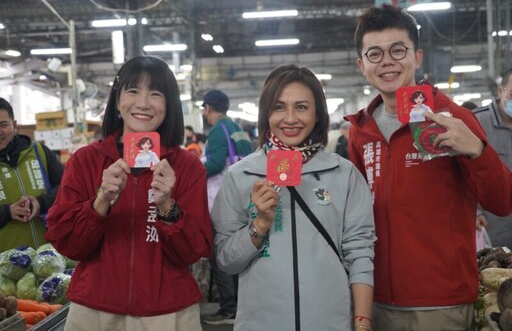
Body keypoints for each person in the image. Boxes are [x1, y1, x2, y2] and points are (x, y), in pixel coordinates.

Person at [347, 4, 512, 331]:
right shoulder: (360, 131)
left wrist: (477, 151)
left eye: (398, 50)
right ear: (361, 65)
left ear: (417, 56)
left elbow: (502, 202)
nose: (388, 62)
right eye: (375, 54)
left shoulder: (453, 119)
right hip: (373, 299)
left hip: (441, 302)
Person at [45, 55, 212, 331]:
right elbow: (68, 244)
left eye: (155, 94)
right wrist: (101, 201)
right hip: (94, 311)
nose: (143, 103)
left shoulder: (186, 166)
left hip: (168, 312)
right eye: (133, 91)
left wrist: (167, 207)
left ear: (169, 105)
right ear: (118, 101)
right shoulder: (85, 160)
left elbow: (194, 251)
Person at [211, 64, 376, 331]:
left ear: (317, 114)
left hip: (330, 323)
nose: (290, 118)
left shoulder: (343, 174)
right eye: (278, 107)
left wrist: (362, 322)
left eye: (301, 107)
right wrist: (259, 225)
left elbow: (360, 254)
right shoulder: (240, 175)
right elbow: (226, 261)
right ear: (266, 113)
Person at [201, 89, 251, 325]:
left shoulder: (217, 131)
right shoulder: (237, 128)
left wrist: (190, 170)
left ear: (208, 109)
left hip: (221, 201)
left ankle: (229, 307)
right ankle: (241, 305)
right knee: (241, 252)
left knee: (220, 254)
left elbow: (214, 165)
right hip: (243, 198)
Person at [0, 98, 63, 252]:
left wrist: (41, 203)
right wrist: (7, 212)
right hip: (6, 269)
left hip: (52, 258)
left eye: (3, 125)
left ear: (14, 125)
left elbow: (67, 188)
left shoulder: (39, 152)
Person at [473, 68, 512, 248]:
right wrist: (474, 211)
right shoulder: (477, 123)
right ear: (500, 91)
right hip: (491, 223)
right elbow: (457, 171)